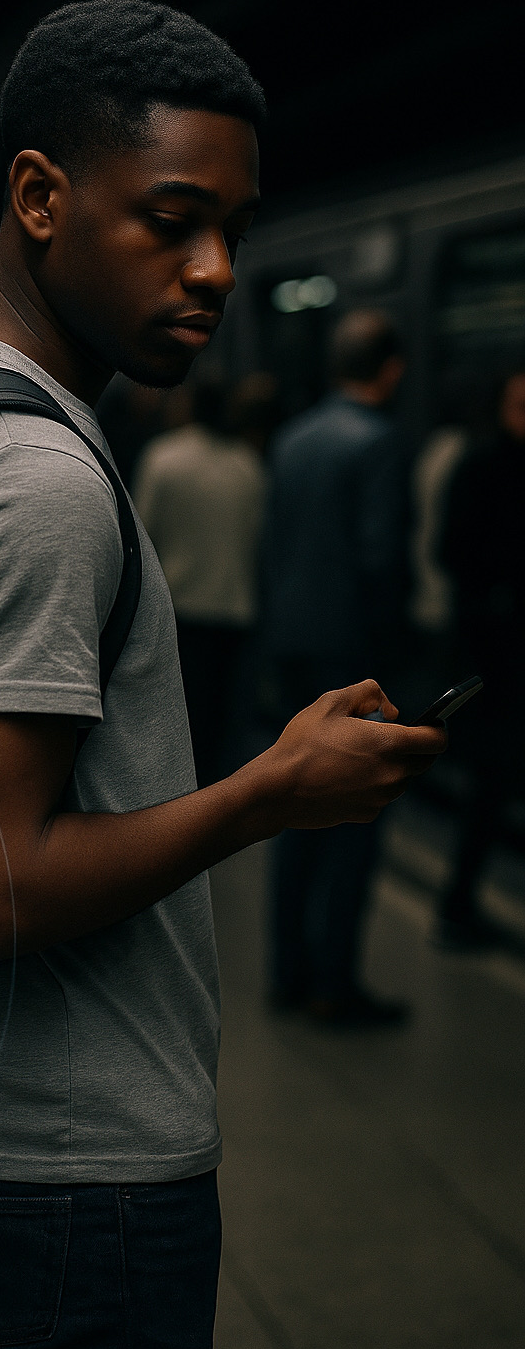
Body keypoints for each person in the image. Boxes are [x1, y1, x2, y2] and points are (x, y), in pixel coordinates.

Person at [0, 0, 444, 1349]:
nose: (218, 269)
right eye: (172, 221)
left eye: (234, 226)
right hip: (68, 1177)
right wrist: (268, 794)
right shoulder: (36, 479)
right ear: (41, 196)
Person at [261, 309, 412, 1027]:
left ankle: (287, 970)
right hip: (352, 650)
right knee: (355, 812)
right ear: (390, 369)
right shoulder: (379, 443)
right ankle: (335, 984)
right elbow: (381, 559)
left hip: (291, 641)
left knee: (296, 805)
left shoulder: (294, 438)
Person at [134, 375, 266, 785]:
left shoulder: (163, 457)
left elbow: (141, 533)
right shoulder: (248, 464)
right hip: (232, 611)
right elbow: (257, 539)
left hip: (178, 608)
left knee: (177, 719)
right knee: (219, 721)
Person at [436, 366, 525, 948]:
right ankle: (458, 907)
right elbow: (450, 550)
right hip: (498, 654)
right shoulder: (480, 466)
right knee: (492, 782)